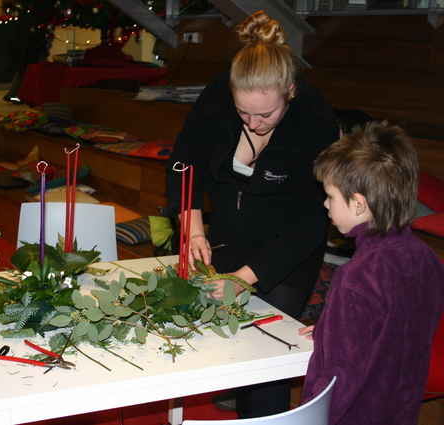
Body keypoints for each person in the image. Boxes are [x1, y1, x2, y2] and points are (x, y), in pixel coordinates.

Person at [165, 10, 339, 418]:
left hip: (286, 248)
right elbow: (183, 164)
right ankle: (233, 388)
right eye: (245, 114)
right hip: (224, 233)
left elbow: (308, 222)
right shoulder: (217, 97)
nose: (255, 124)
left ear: (290, 92)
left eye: (267, 115)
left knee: (266, 354)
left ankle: (262, 411)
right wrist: (193, 231)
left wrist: (245, 279)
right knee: (213, 332)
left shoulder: (315, 119)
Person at [299, 121, 444, 425]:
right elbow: (392, 331)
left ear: (358, 204)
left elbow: (339, 378)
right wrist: (333, 330)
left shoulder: (357, 277)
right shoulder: (426, 259)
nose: (325, 204)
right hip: (400, 409)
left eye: (330, 196)